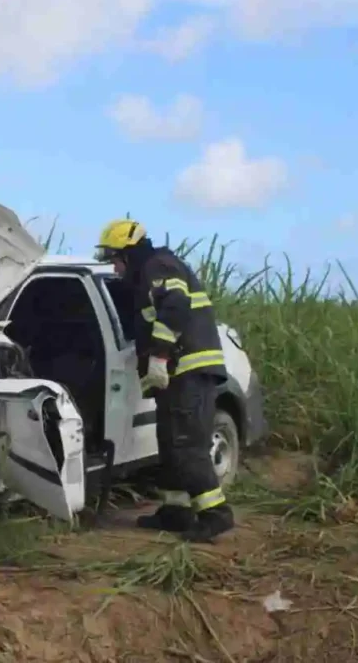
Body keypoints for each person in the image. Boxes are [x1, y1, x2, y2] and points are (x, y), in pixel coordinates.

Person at [94, 219, 235, 543]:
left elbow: (175, 306)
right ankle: (176, 512)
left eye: (114, 259)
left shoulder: (158, 266)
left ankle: (215, 514)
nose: (113, 267)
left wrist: (159, 355)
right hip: (176, 374)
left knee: (186, 444)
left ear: (128, 254)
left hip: (188, 370)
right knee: (171, 444)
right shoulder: (144, 275)